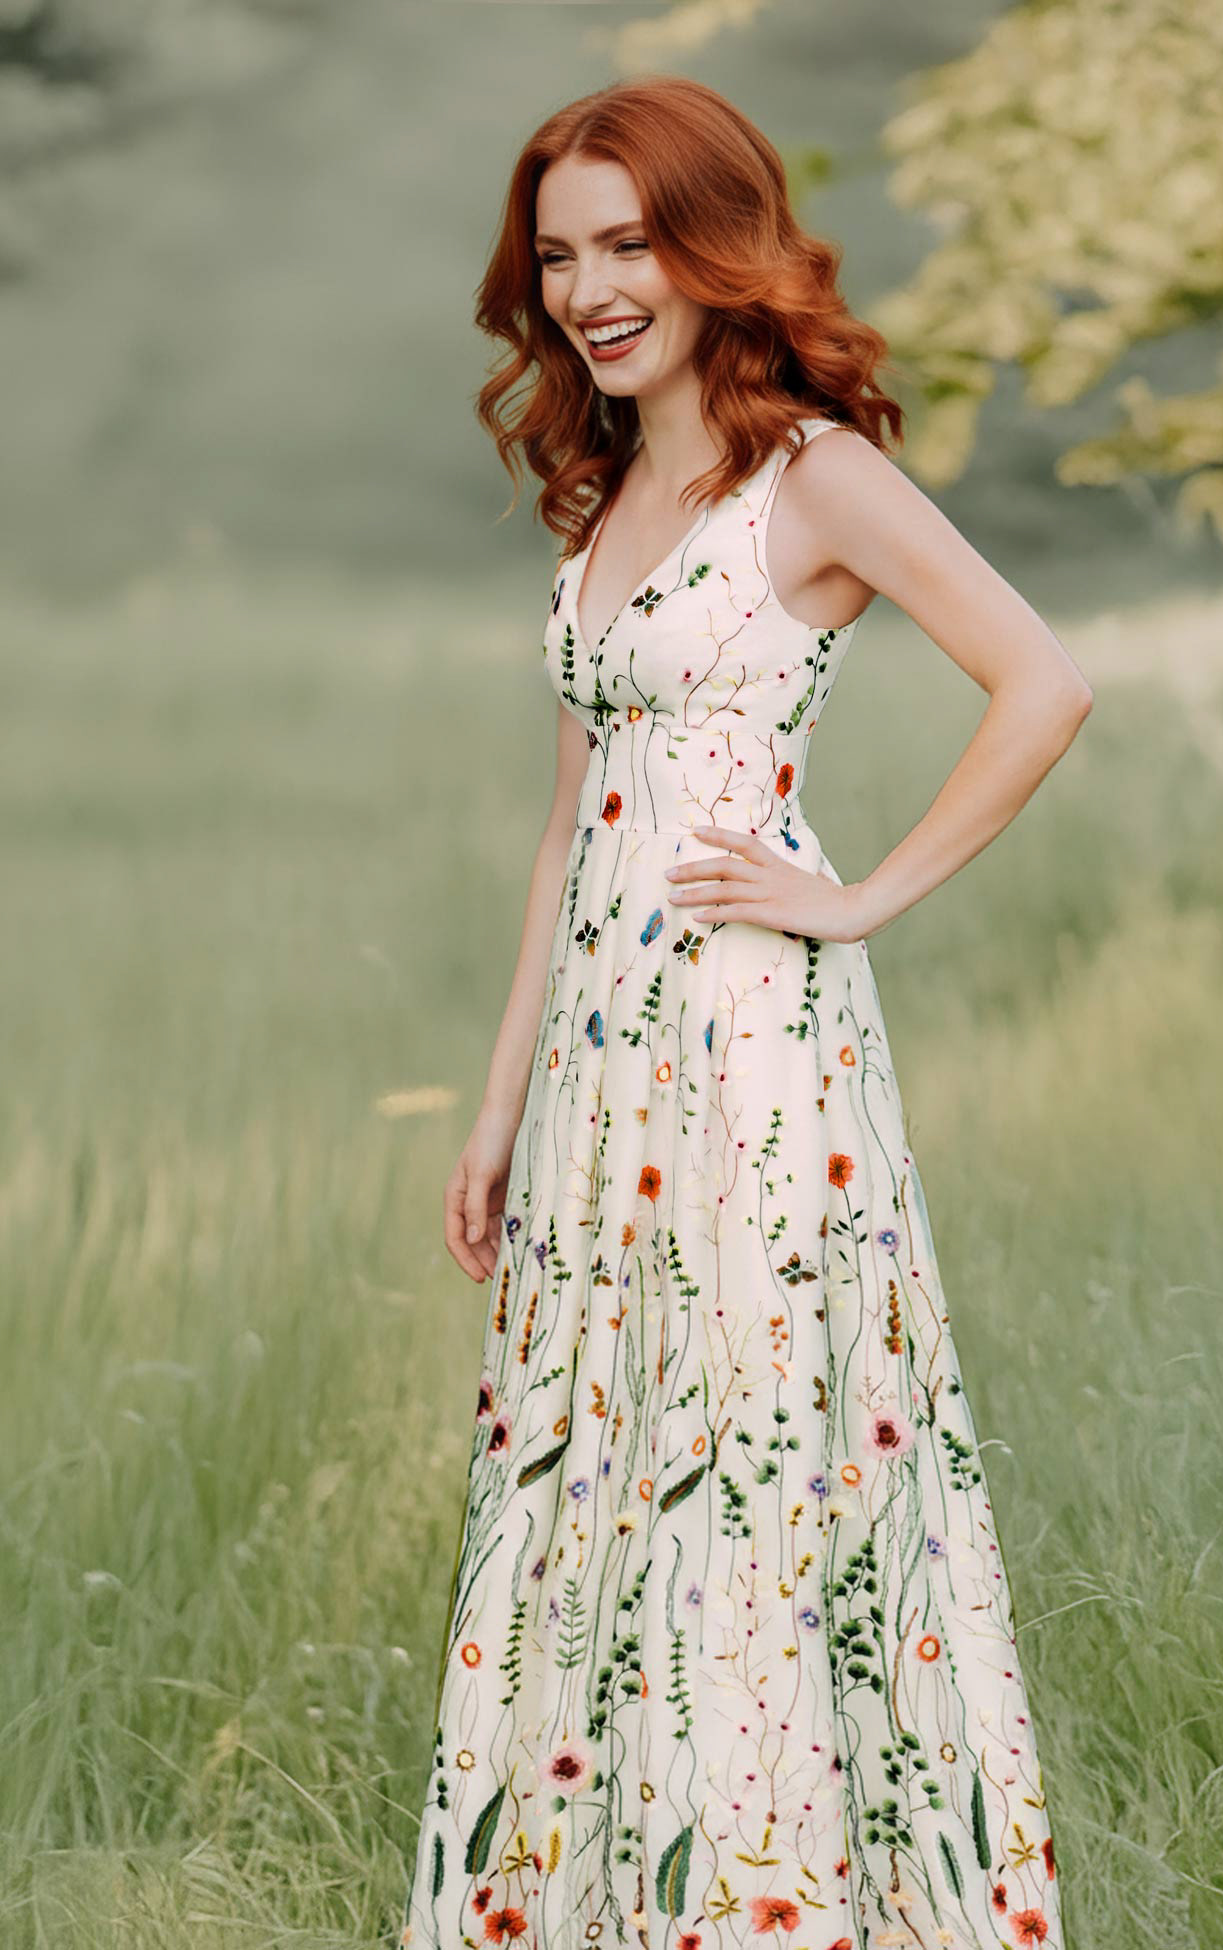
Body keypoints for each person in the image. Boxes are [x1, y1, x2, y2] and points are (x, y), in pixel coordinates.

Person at [402, 75, 1087, 1950]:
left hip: (754, 1059)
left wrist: (856, 896)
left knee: (754, 1459)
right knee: (604, 1463)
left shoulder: (818, 479)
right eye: (560, 256)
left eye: (630, 243)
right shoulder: (609, 493)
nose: (591, 290)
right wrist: (498, 1105)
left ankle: (782, 1902)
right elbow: (570, 830)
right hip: (596, 1086)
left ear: (713, 249)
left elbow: (1042, 682)